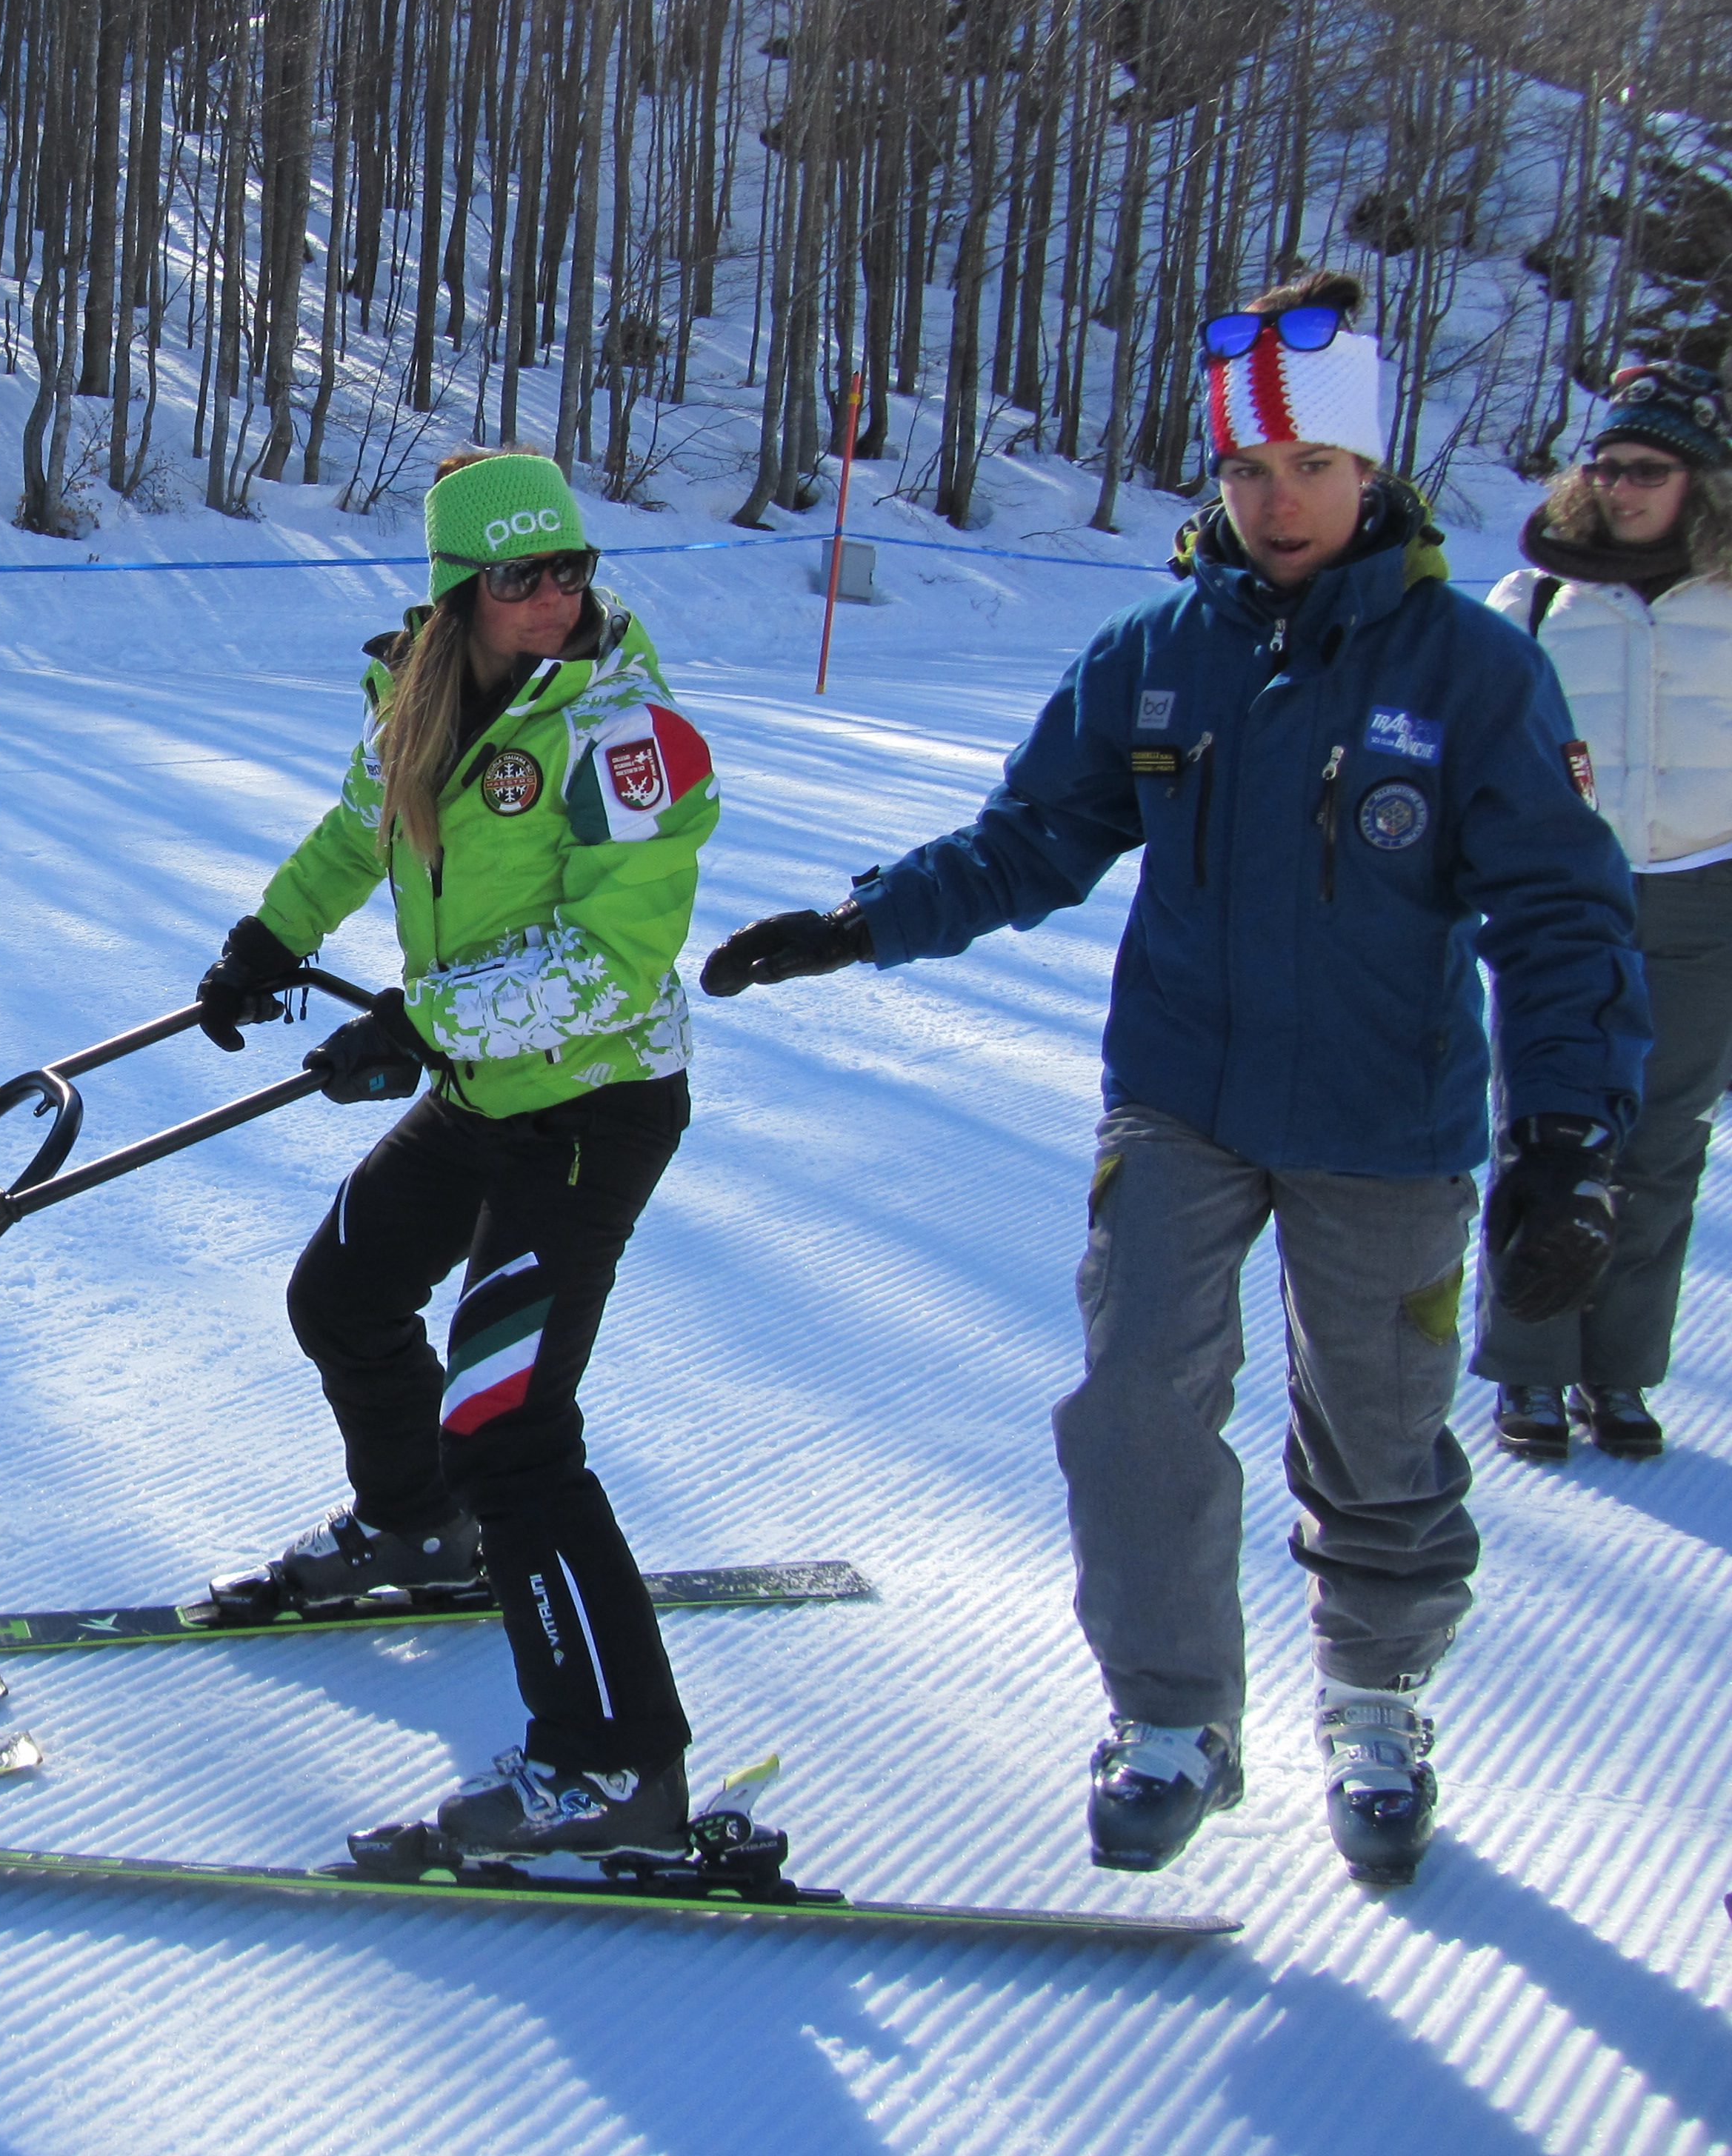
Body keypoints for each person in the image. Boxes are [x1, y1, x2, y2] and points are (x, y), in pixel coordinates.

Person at [699, 275, 1648, 1889]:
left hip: (1388, 1114)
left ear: (1370, 468)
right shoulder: (1158, 654)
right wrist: (862, 923)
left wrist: (1566, 1135)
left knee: (1378, 1433)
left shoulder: (1473, 669)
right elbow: (1034, 840)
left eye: (1312, 469)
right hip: (1181, 1096)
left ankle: (1377, 1697)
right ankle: (1172, 1716)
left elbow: (1562, 912)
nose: (1278, 505)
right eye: (1248, 471)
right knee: (1133, 1401)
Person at [190, 447, 723, 1873]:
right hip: (487, 1082)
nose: (555, 598)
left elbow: (616, 962)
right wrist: (268, 942)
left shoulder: (625, 733)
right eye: (520, 576)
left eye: (572, 570)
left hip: (596, 1100)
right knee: (345, 1295)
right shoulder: (418, 699)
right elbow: (357, 833)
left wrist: (416, 1025)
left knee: (507, 1424)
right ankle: (418, 1527)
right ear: (454, 595)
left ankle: (615, 1764)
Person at [1479, 360, 1732, 1459]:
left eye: (1649, 470)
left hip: (1705, 897)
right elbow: (1476, 751)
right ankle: (1529, 1367)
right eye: (1607, 465)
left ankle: (1619, 1371)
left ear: (1701, 482)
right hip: (1563, 904)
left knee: (1663, 1145)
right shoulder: (1537, 601)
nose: (1620, 487)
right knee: (1545, 1130)